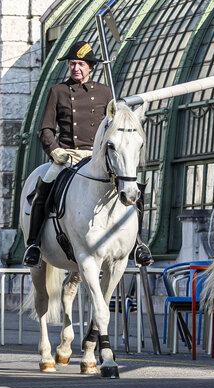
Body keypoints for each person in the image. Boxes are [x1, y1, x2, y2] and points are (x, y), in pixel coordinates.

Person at [24, 42, 152, 267]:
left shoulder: (104, 93)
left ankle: (138, 243)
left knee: (132, 186)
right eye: (72, 63)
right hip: (68, 155)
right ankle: (34, 244)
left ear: (89, 67)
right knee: (44, 186)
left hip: (97, 156)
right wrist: (55, 150)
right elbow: (45, 128)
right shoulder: (58, 91)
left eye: (80, 64)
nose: (76, 68)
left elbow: (114, 126)